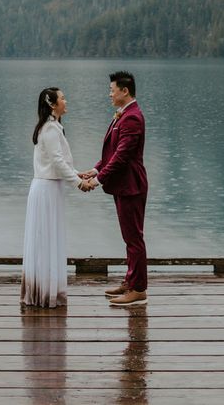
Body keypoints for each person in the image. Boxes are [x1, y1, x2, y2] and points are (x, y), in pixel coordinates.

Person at [80, 71, 148, 306]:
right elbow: (112, 152)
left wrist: (97, 182)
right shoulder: (124, 114)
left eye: (112, 90)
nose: (109, 94)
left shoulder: (132, 118)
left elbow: (122, 157)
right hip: (122, 185)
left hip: (131, 185)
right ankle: (131, 280)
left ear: (124, 90)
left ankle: (138, 290)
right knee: (128, 237)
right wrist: (96, 169)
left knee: (134, 239)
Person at [21, 87, 92, 308]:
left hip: (50, 187)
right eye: (62, 98)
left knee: (47, 240)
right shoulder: (50, 128)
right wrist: (78, 183)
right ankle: (45, 293)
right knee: (46, 240)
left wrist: (76, 173)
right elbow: (57, 163)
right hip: (47, 190)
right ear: (52, 104)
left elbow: (61, 163)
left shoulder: (52, 127)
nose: (65, 100)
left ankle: (44, 290)